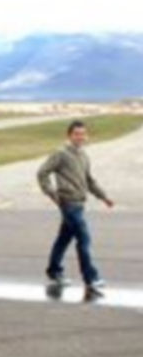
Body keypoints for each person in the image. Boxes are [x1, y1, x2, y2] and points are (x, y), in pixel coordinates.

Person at [37, 120, 114, 291]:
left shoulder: (83, 155)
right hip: (68, 203)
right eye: (76, 134)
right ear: (69, 135)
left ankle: (54, 271)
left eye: (83, 134)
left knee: (64, 238)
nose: (80, 137)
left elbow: (89, 181)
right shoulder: (61, 153)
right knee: (84, 239)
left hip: (79, 204)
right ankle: (90, 278)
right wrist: (52, 193)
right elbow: (42, 173)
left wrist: (104, 197)